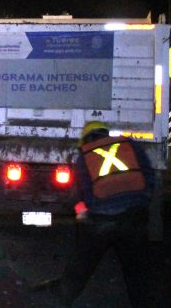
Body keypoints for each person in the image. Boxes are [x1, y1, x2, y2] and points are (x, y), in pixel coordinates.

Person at [35, 121, 156, 306]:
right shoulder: (130, 144)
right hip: (134, 217)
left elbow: (80, 193)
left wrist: (81, 216)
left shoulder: (85, 155)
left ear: (86, 139)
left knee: (81, 266)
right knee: (136, 271)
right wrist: (141, 201)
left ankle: (61, 297)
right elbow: (148, 175)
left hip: (101, 220)